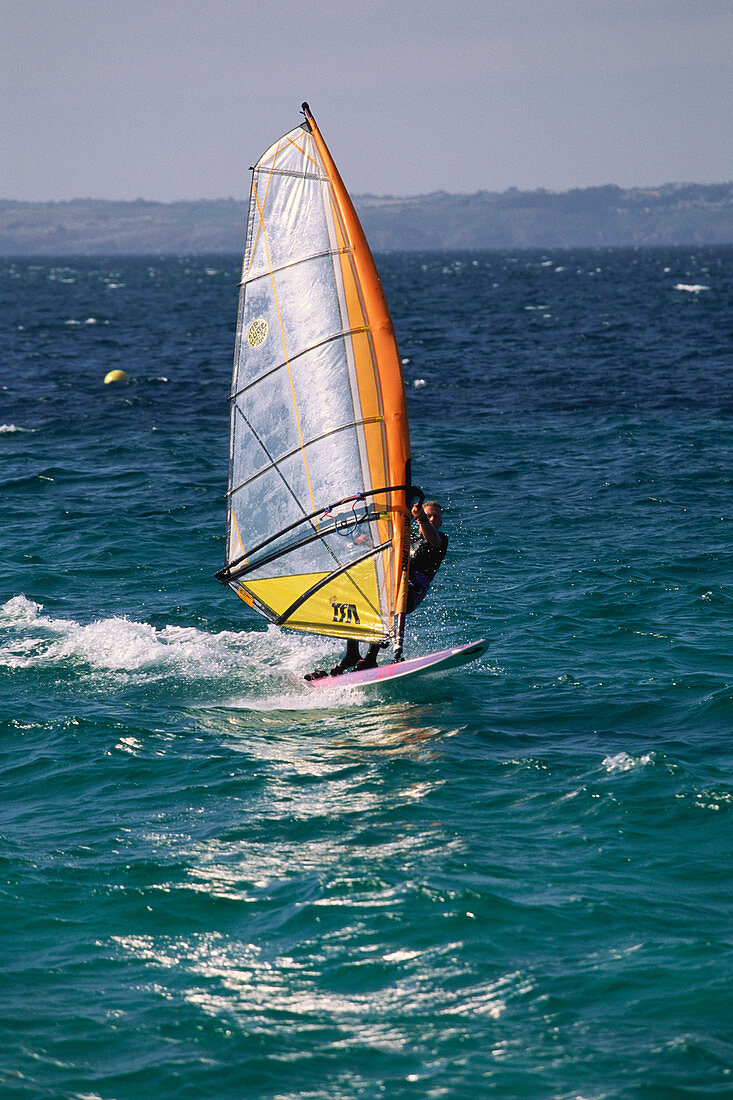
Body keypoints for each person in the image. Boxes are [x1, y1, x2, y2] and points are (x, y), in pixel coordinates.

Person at [327, 499, 449, 675]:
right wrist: (366, 541)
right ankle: (352, 653)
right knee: (355, 593)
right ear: (416, 519)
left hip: (411, 593)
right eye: (428, 515)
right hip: (391, 586)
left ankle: (370, 658)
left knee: (385, 596)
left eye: (435, 517)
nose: (431, 519)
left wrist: (422, 518)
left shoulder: (441, 539)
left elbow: (433, 540)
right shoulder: (406, 536)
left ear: (440, 523)